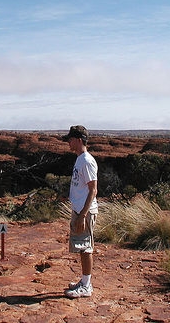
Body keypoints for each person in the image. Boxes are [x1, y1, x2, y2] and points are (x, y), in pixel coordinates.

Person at [62, 125, 98, 298]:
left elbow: (93, 190)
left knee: (86, 247)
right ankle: (84, 281)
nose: (68, 142)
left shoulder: (87, 161)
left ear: (78, 140)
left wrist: (83, 214)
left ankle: (87, 286)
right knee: (82, 247)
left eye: (70, 139)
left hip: (85, 211)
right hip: (79, 209)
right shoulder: (79, 159)